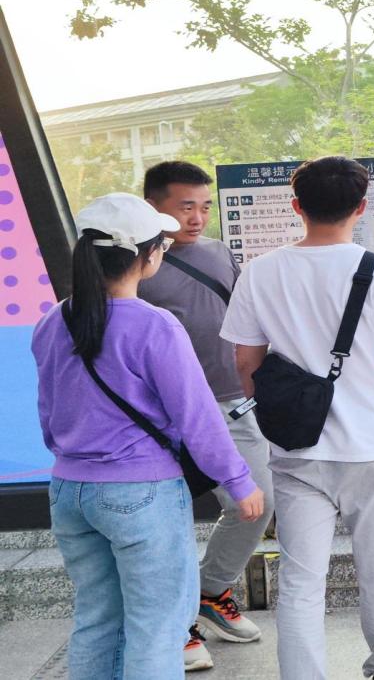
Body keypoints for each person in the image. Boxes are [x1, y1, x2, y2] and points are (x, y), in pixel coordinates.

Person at [220, 155, 374, 680]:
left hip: (297, 450)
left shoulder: (260, 271)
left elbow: (246, 361)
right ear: (361, 208)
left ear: (296, 206)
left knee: (301, 579)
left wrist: (279, 416)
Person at [32, 193, 264, 680]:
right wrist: (238, 481)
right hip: (140, 493)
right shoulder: (155, 324)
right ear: (148, 255)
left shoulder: (54, 320)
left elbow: (49, 412)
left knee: (97, 619)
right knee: (158, 626)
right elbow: (197, 416)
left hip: (69, 490)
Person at [140, 161, 274, 671]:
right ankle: (176, 625)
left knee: (257, 502)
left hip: (233, 403)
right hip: (164, 415)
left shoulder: (218, 252)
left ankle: (209, 591)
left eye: (203, 206)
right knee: (164, 520)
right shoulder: (138, 265)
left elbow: (246, 319)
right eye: (184, 207)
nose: (196, 217)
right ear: (153, 207)